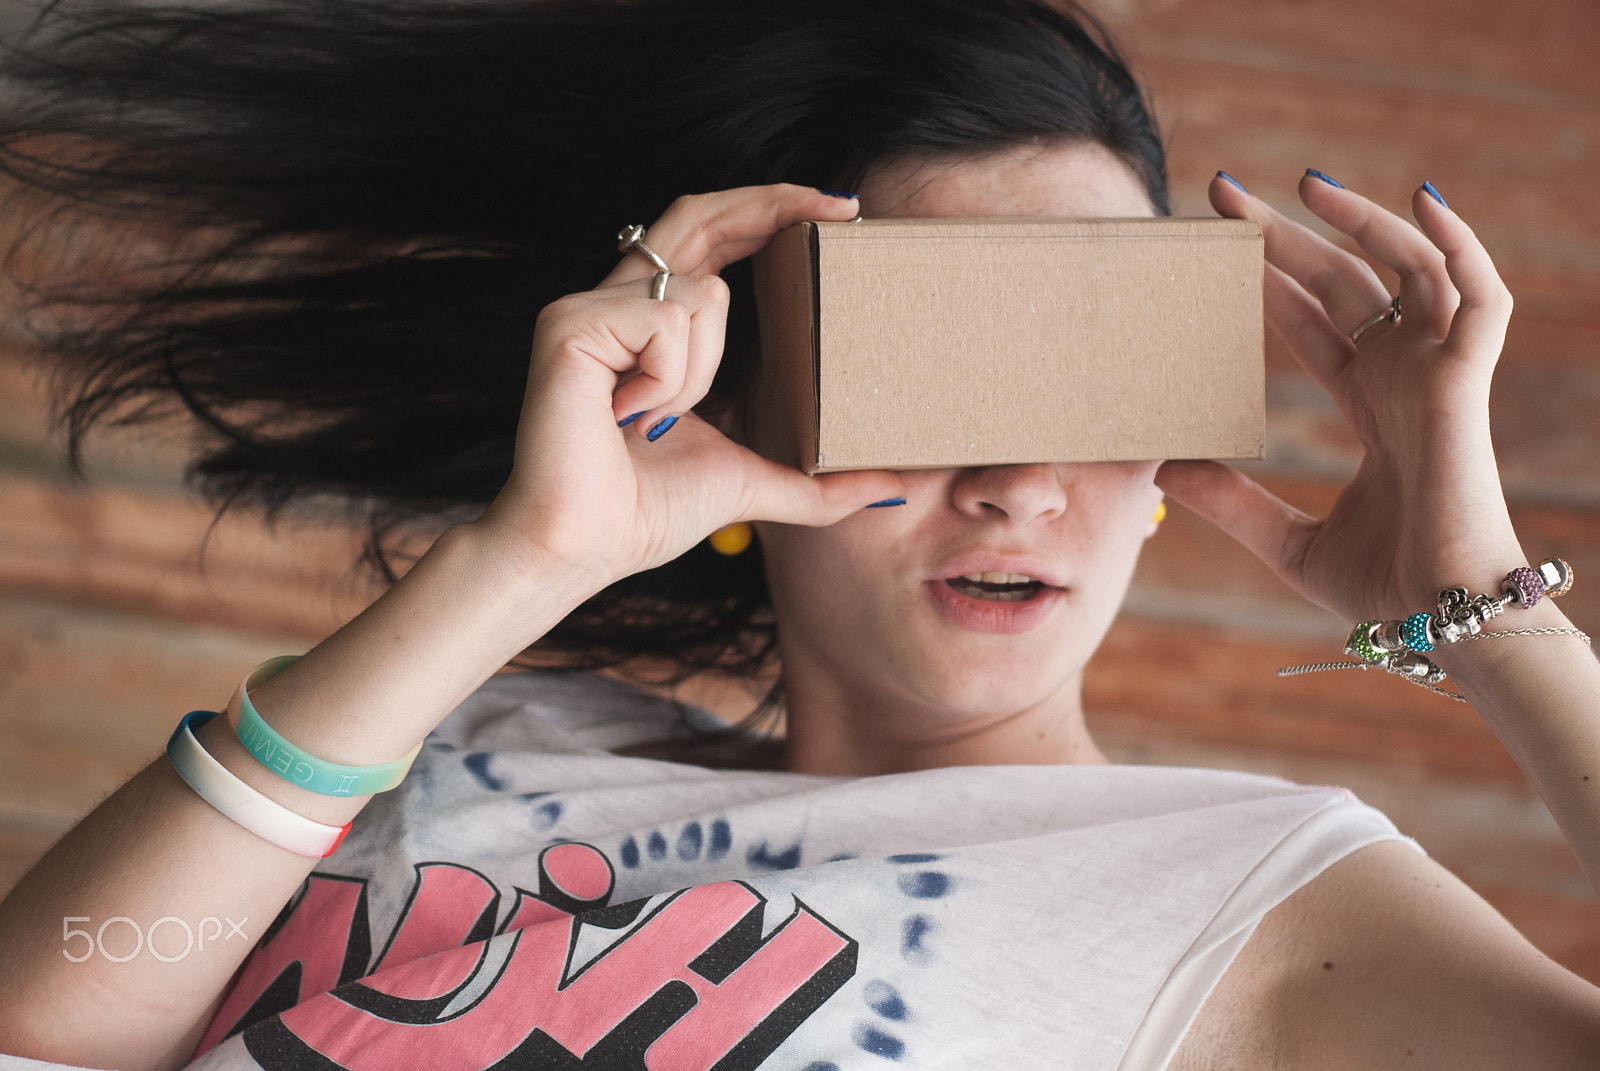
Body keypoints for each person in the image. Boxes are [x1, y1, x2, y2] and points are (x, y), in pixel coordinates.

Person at [0, 0, 1597, 1068]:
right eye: (932, 365)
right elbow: (44, 1022)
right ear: (743, 394)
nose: (1021, 476)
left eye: (1094, 359)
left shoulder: (1263, 897)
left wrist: (1488, 613)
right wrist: (526, 562)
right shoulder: (481, 734)